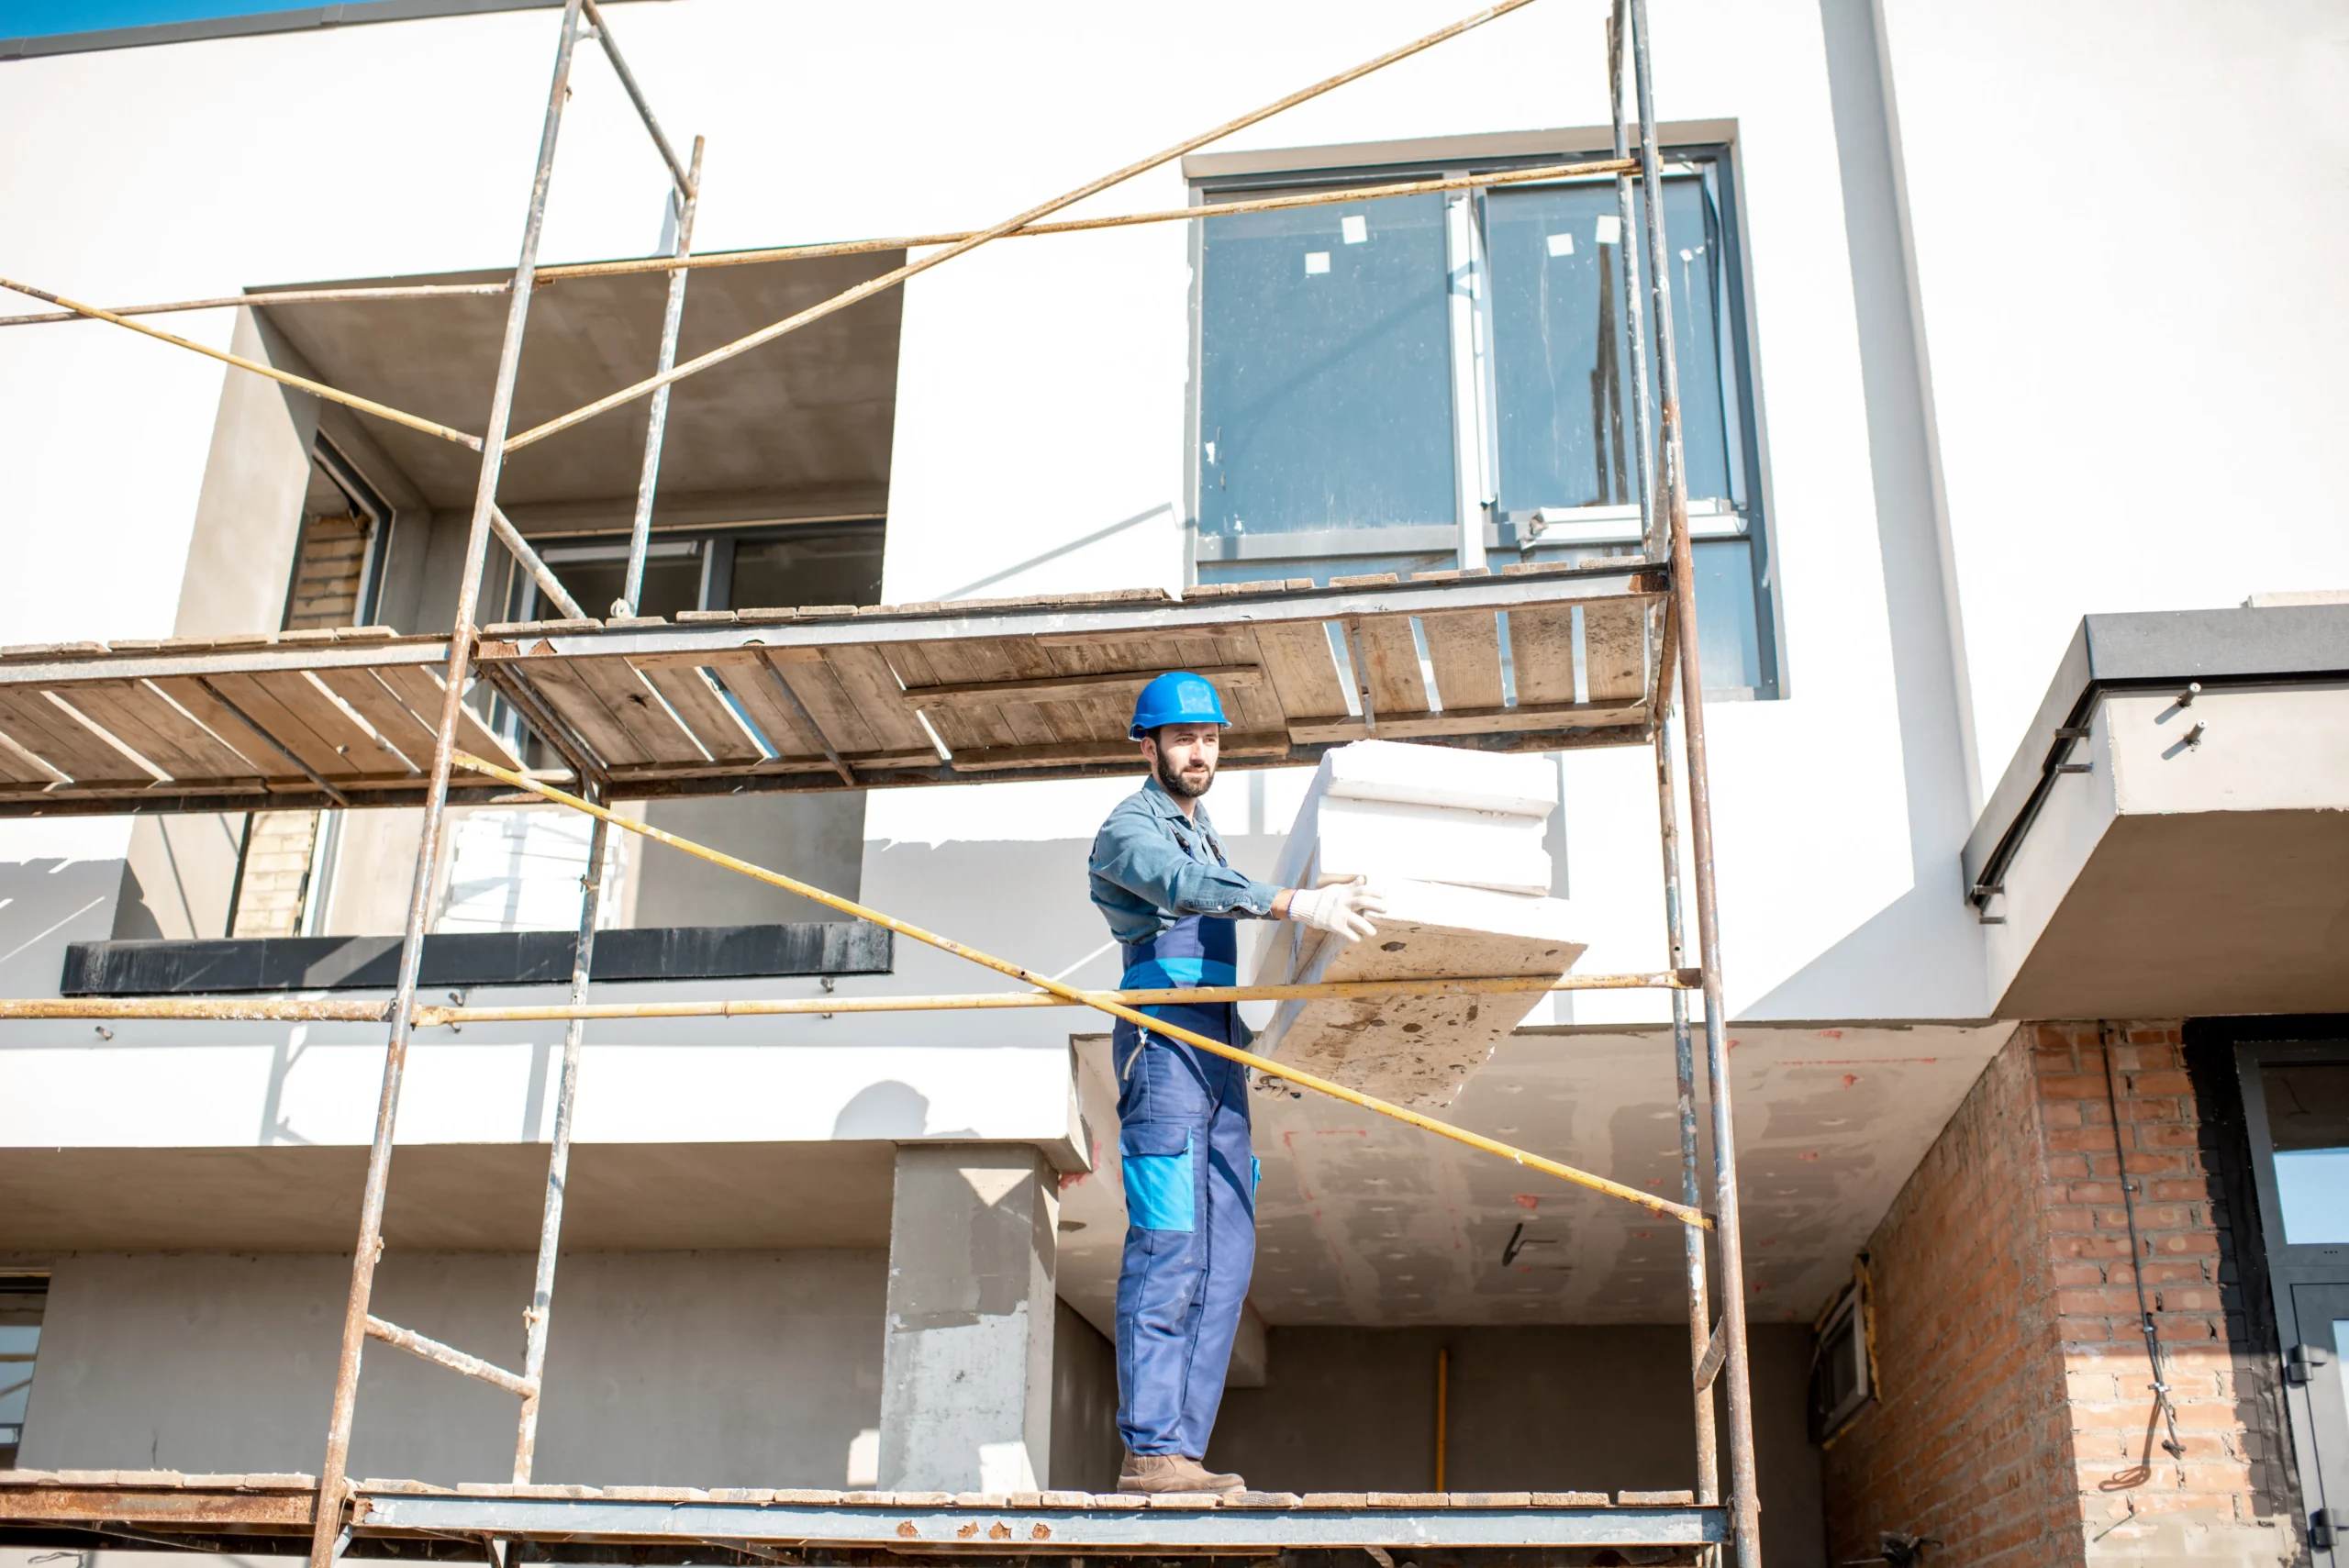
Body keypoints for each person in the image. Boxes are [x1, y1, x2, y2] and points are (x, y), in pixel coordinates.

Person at [1087, 670, 1386, 1495]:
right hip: (1166, 1039)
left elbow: (1216, 893)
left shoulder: (1203, 829)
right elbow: (1182, 889)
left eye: (1210, 737)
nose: (1199, 750)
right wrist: (1295, 903)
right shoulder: (1129, 830)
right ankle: (1148, 1445)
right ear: (1147, 745)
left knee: (1228, 1252)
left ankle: (1177, 1449)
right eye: (1183, 737)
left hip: (1218, 1043)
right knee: (1172, 1238)